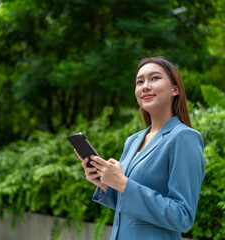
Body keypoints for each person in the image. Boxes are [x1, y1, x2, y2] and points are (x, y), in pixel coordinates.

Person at [74, 57, 205, 240]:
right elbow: (129, 205)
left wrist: (123, 184)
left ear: (175, 89)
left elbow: (182, 216)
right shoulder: (133, 141)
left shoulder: (184, 137)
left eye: (155, 78)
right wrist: (106, 184)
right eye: (139, 81)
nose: (145, 86)